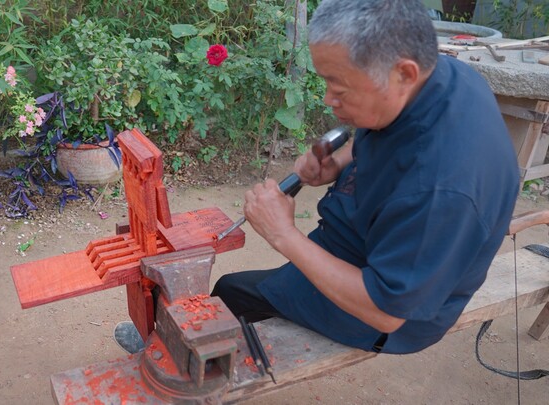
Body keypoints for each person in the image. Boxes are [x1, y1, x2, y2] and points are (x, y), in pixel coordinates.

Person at [211, 0, 520, 354]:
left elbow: (386, 311)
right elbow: (386, 132)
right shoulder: (441, 75)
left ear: (403, 74)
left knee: (230, 294)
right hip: (371, 240)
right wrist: (339, 161)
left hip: (387, 313)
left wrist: (283, 235)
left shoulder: (442, 190)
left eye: (340, 90)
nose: (328, 100)